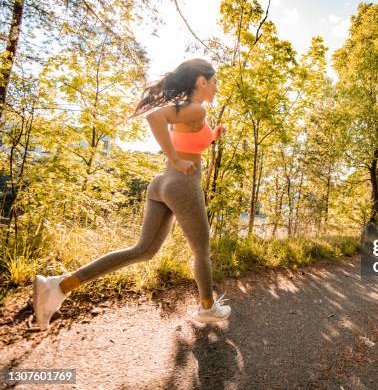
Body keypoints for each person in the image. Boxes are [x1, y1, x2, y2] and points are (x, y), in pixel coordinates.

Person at [32, 59, 231, 330]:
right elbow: (154, 116)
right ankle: (208, 309)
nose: (217, 87)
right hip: (182, 185)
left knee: (143, 251)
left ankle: (59, 286)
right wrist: (174, 159)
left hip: (161, 184)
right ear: (201, 81)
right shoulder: (195, 110)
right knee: (202, 250)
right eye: (215, 81)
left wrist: (213, 137)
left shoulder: (190, 111)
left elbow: (189, 142)